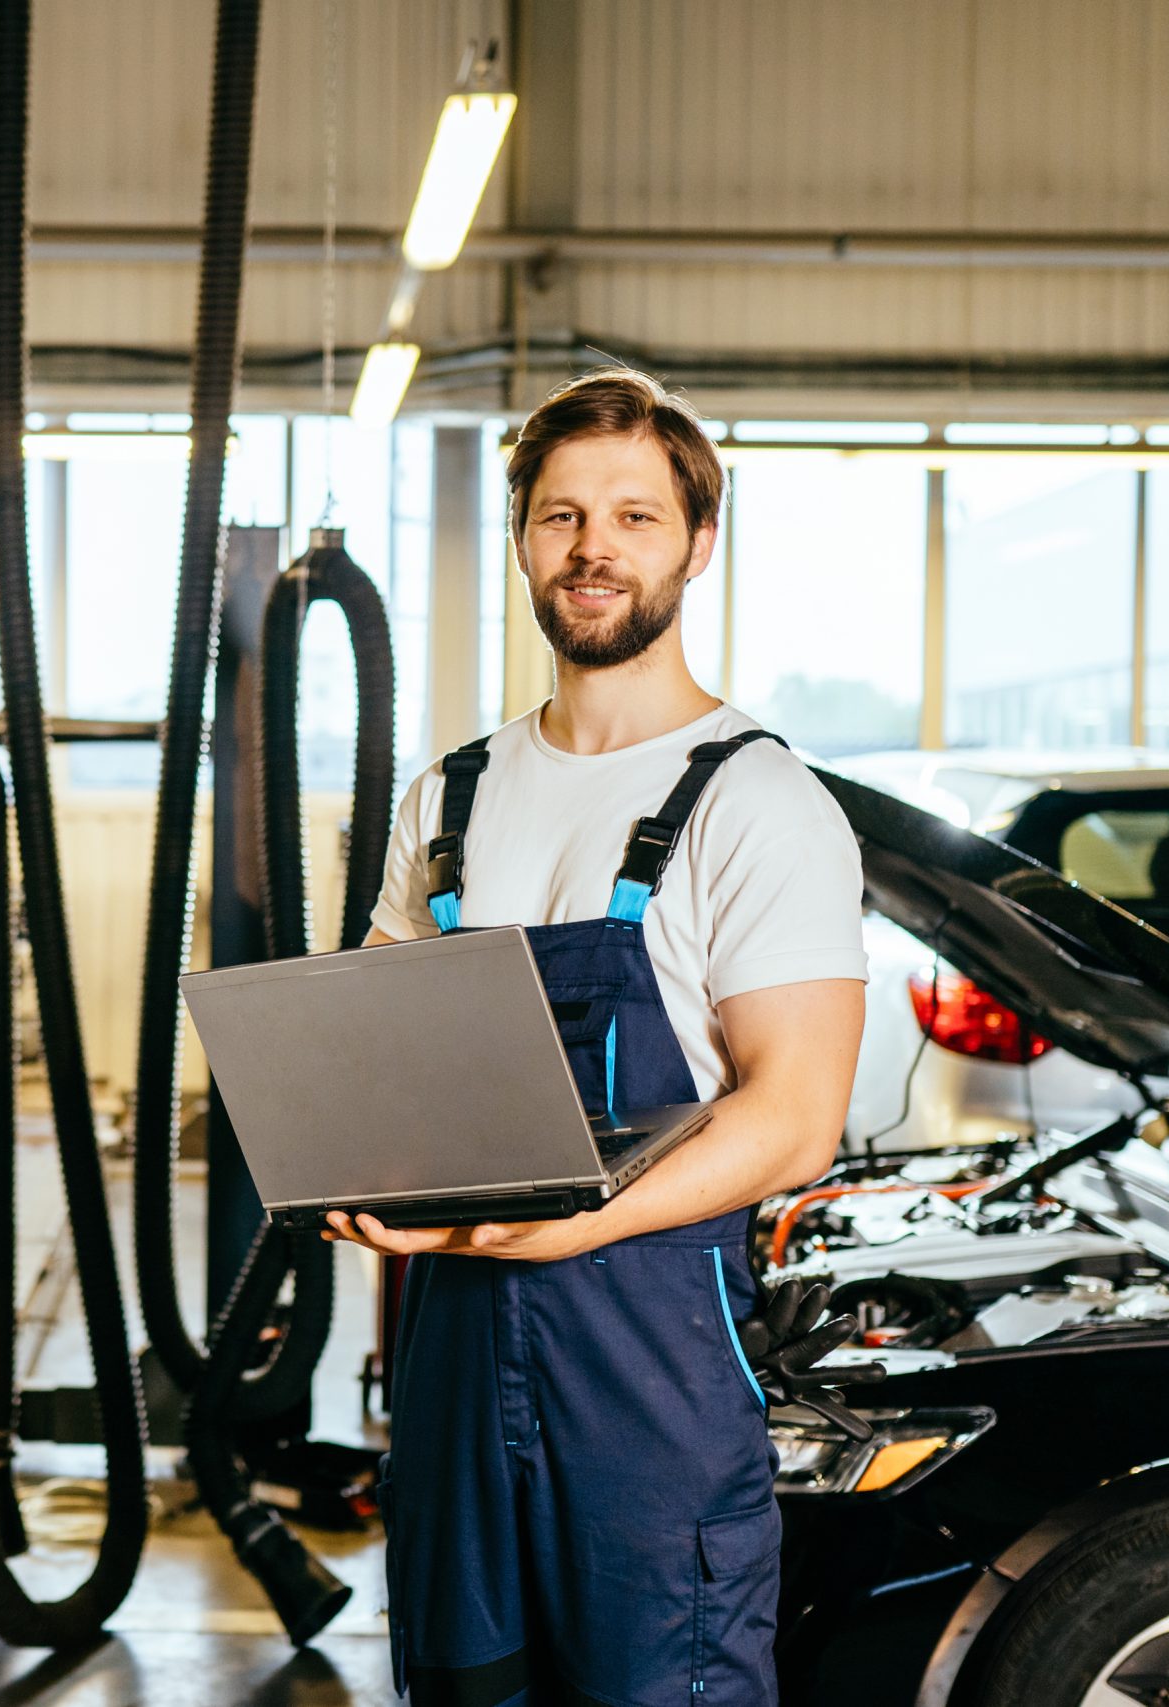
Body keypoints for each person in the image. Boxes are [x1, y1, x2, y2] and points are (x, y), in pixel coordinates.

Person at [324, 368, 866, 1706]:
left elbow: (794, 1113)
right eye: (562, 515)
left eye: (633, 515)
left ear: (697, 544)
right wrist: (352, 1162)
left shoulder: (761, 802)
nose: (594, 546)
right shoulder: (450, 796)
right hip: (452, 1358)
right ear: (521, 538)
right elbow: (383, 1057)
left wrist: (574, 1226)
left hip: (653, 1373)